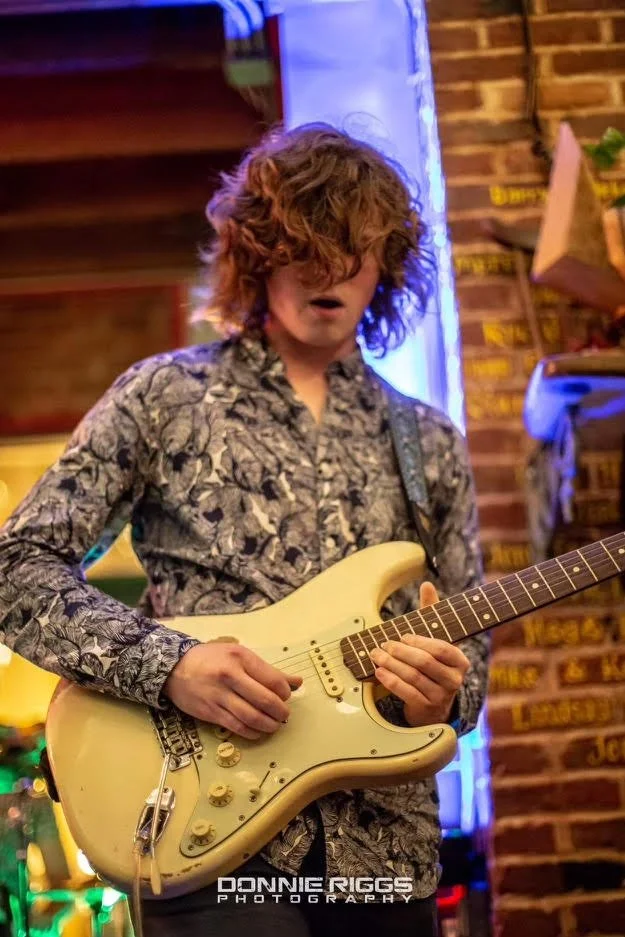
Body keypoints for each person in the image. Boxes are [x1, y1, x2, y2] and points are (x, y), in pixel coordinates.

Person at [0, 123, 489, 937]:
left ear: (386, 265)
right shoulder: (165, 396)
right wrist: (170, 665)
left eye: (351, 248)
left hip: (383, 858)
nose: (326, 269)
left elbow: (466, 669)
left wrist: (444, 692)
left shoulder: (429, 440)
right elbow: (16, 565)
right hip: (208, 840)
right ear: (257, 254)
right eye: (302, 243)